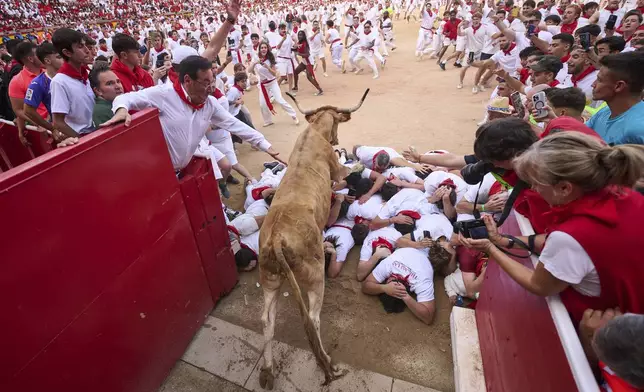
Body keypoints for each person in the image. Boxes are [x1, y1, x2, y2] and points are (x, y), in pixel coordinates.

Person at [460, 132, 644, 326]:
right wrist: (502, 240)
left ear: (564, 188)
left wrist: (491, 249)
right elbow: (556, 243)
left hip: (601, 326)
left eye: (536, 183)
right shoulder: (627, 196)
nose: (535, 190)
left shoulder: (571, 236)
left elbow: (538, 285)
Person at [102, 55, 284, 174]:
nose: (211, 88)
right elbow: (126, 98)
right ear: (187, 80)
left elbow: (233, 124)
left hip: (190, 162)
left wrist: (264, 144)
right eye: (205, 83)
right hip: (163, 172)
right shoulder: (164, 94)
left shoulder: (209, 103)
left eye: (212, 82)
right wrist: (121, 110)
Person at [586, 51, 644, 145]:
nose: (593, 84)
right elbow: (578, 137)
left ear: (619, 86)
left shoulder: (638, 130)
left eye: (599, 80)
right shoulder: (605, 112)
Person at [51, 28, 95, 137]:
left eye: (85, 45)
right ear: (67, 52)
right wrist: (81, 141)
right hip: (83, 135)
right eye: (80, 47)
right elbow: (58, 122)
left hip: (97, 130)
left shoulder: (86, 74)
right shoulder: (59, 82)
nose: (87, 50)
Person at [249, 42, 299, 127]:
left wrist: (267, 67)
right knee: (262, 104)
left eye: (265, 47)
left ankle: (294, 115)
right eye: (262, 48)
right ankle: (268, 121)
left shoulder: (271, 58)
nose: (263, 49)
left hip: (272, 82)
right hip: (263, 85)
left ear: (267, 49)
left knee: (279, 99)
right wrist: (254, 63)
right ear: (259, 49)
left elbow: (274, 74)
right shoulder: (255, 57)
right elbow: (249, 70)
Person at [8, 42, 45, 146]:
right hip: (43, 130)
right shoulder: (16, 82)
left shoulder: (49, 71)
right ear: (30, 59)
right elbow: (19, 110)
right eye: (39, 54)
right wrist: (39, 123)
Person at [23, 42, 63, 134]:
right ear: (48, 61)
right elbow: (28, 110)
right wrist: (52, 128)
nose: (64, 60)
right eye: (59, 57)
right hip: (65, 131)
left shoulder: (71, 74)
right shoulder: (37, 84)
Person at [90, 61, 124, 127]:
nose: (118, 86)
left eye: (118, 81)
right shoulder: (102, 111)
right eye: (110, 83)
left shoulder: (117, 103)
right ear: (98, 90)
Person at [292, 30, 324, 94]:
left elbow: (307, 54)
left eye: (301, 35)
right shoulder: (299, 43)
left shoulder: (305, 43)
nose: (299, 36)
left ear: (304, 36)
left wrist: (299, 54)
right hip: (304, 62)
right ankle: (295, 86)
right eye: (299, 35)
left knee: (309, 77)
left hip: (309, 61)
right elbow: (295, 49)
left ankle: (320, 89)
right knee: (295, 72)